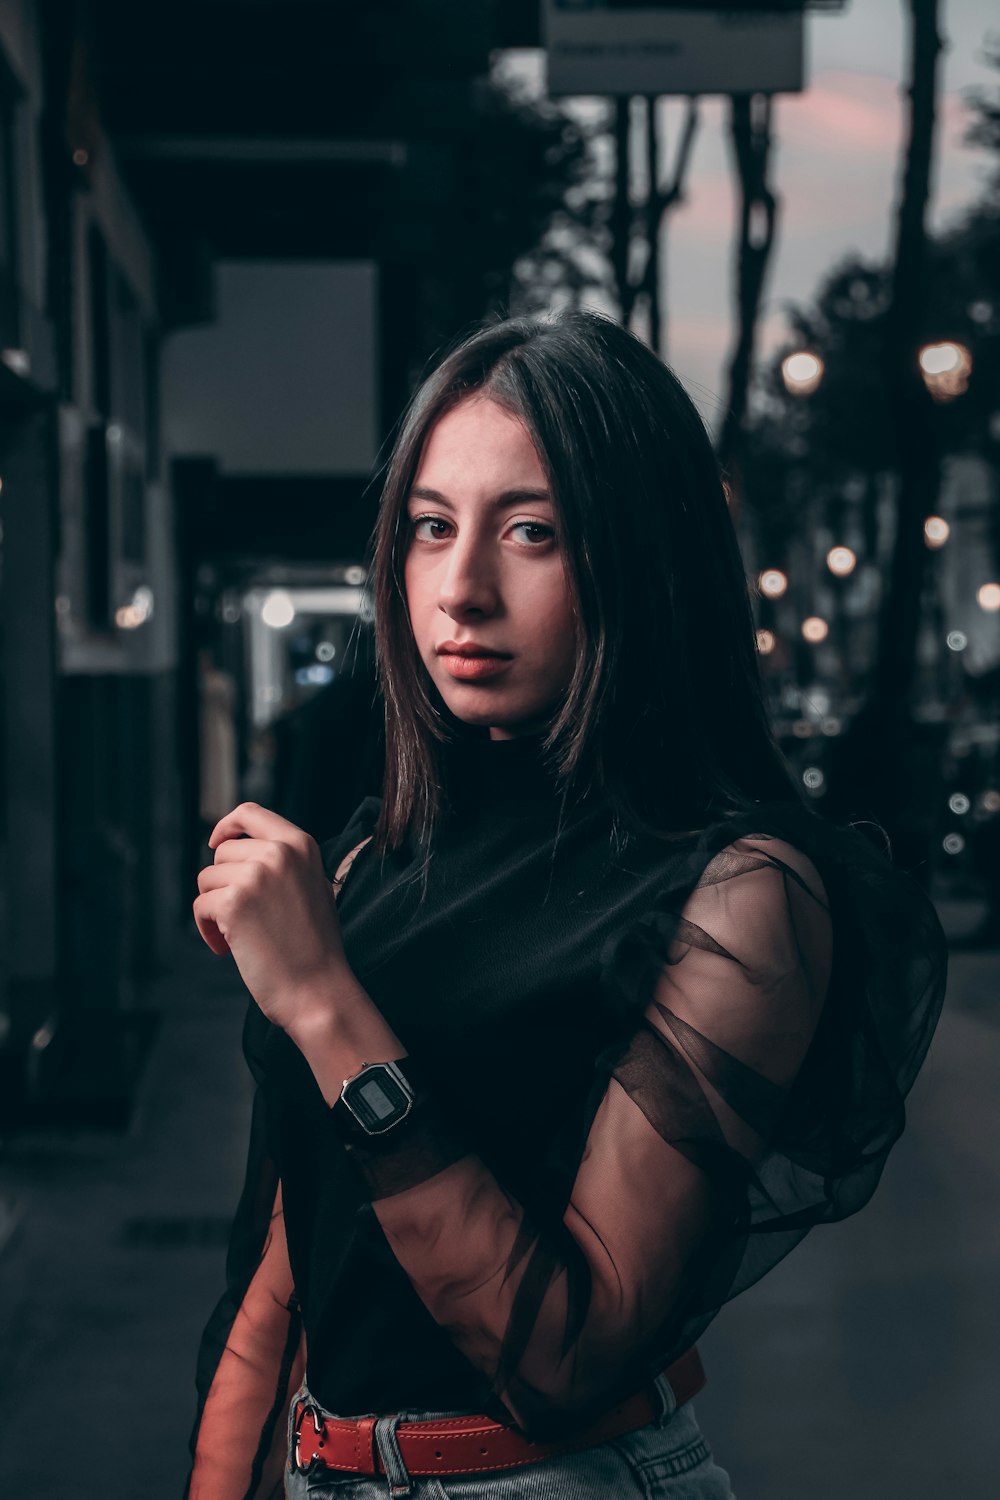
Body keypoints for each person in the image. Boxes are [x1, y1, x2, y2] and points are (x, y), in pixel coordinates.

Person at [185, 311, 947, 1500]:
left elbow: (562, 1355)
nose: (462, 588)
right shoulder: (370, 861)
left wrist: (327, 1005)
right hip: (318, 1470)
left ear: (641, 555)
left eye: (531, 532)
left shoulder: (740, 896)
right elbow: (283, 1275)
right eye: (431, 528)